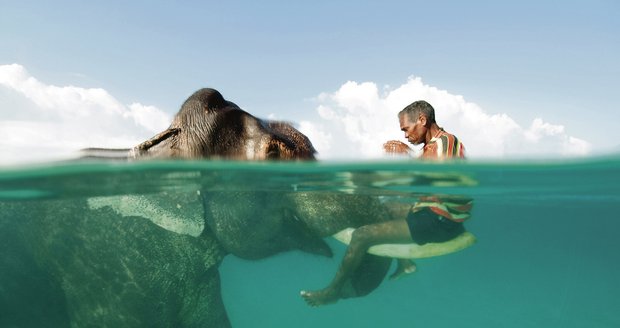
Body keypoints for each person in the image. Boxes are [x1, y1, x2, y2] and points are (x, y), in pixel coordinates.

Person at [301, 100, 470, 307]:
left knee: (361, 235)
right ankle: (405, 263)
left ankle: (332, 291)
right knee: (384, 206)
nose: (406, 135)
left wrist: (405, 157)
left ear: (422, 120)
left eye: (406, 129)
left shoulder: (445, 142)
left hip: (440, 221)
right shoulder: (436, 144)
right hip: (432, 212)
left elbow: (435, 176)